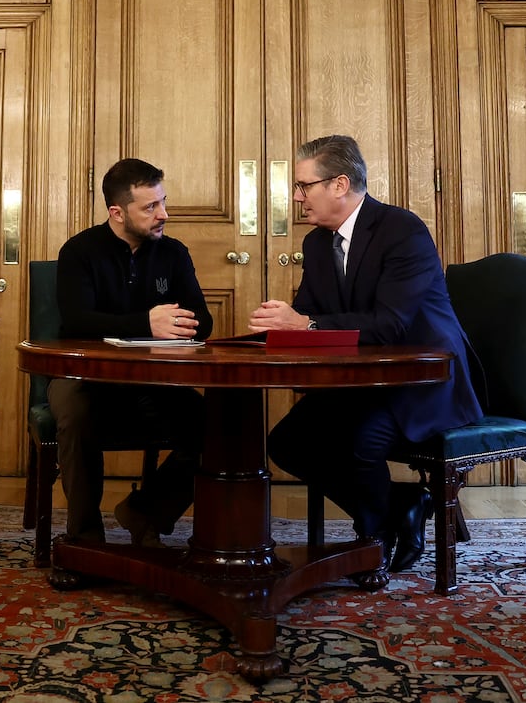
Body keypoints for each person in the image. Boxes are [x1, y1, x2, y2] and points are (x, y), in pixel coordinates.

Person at [250, 134, 481, 580]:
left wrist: (306, 325)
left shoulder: (401, 229)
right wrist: (279, 328)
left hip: (422, 380)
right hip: (359, 381)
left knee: (362, 441)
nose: (297, 197)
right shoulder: (318, 244)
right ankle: (403, 506)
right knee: (286, 443)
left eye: (304, 186)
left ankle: (370, 542)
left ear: (339, 184)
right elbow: (311, 313)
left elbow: (390, 324)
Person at [51, 158, 213, 547]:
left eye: (163, 202)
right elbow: (76, 323)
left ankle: (147, 511)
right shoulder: (79, 251)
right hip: (87, 377)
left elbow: (202, 323)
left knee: (219, 427)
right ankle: (86, 542)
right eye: (151, 207)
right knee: (75, 414)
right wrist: (145, 324)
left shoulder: (173, 253)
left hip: (154, 379)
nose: (164, 214)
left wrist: (174, 326)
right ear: (117, 212)